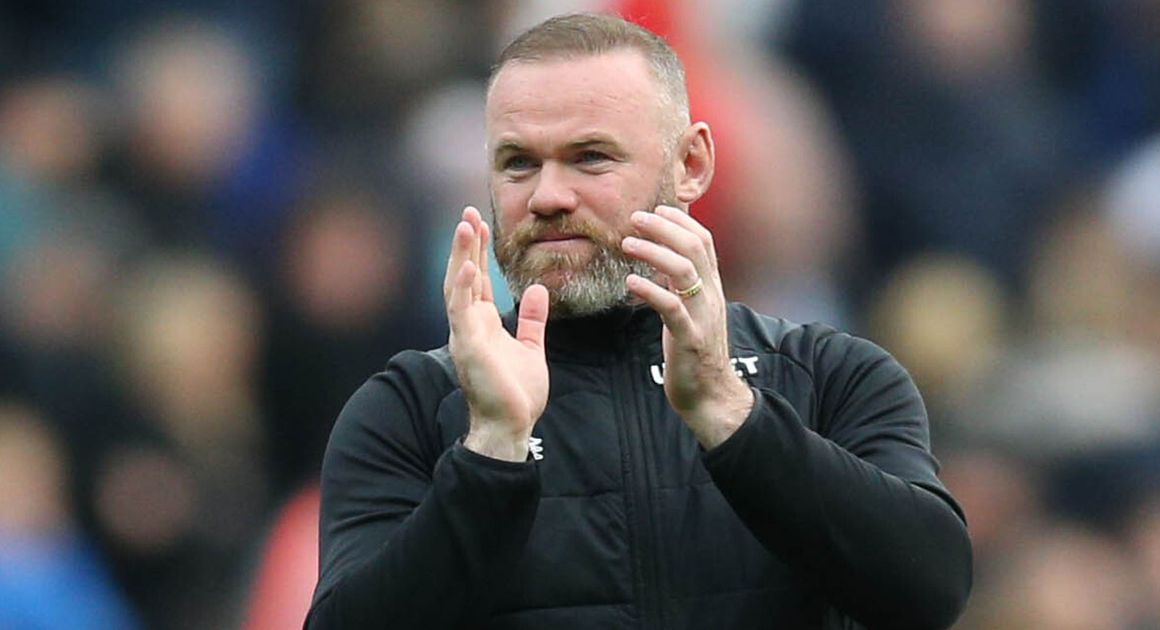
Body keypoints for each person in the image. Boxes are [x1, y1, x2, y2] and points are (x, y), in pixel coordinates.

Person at [306, 12, 971, 630]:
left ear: (691, 165)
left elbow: (930, 591)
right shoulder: (410, 408)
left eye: (590, 157)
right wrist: (491, 452)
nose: (548, 196)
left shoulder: (831, 378)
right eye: (519, 163)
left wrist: (730, 417)